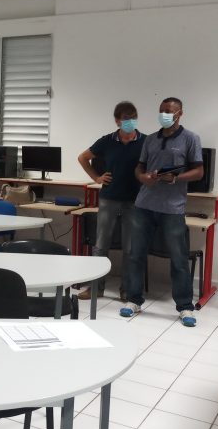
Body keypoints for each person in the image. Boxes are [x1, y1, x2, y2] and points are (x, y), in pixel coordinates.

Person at [121, 97, 203, 327]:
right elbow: (139, 167)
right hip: (144, 205)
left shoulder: (190, 139)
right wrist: (142, 177)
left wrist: (176, 178)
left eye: (169, 111)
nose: (164, 114)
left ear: (180, 113)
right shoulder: (150, 139)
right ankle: (133, 300)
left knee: (178, 259)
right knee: (135, 254)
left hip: (172, 208)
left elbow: (198, 171)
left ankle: (185, 307)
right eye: (161, 110)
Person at [77, 101, 145, 301]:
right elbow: (82, 158)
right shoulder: (106, 141)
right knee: (101, 245)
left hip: (135, 200)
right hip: (109, 198)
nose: (130, 122)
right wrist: (96, 178)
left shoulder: (146, 141)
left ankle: (127, 290)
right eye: (126, 119)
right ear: (117, 121)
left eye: (133, 118)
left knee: (130, 248)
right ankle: (96, 288)